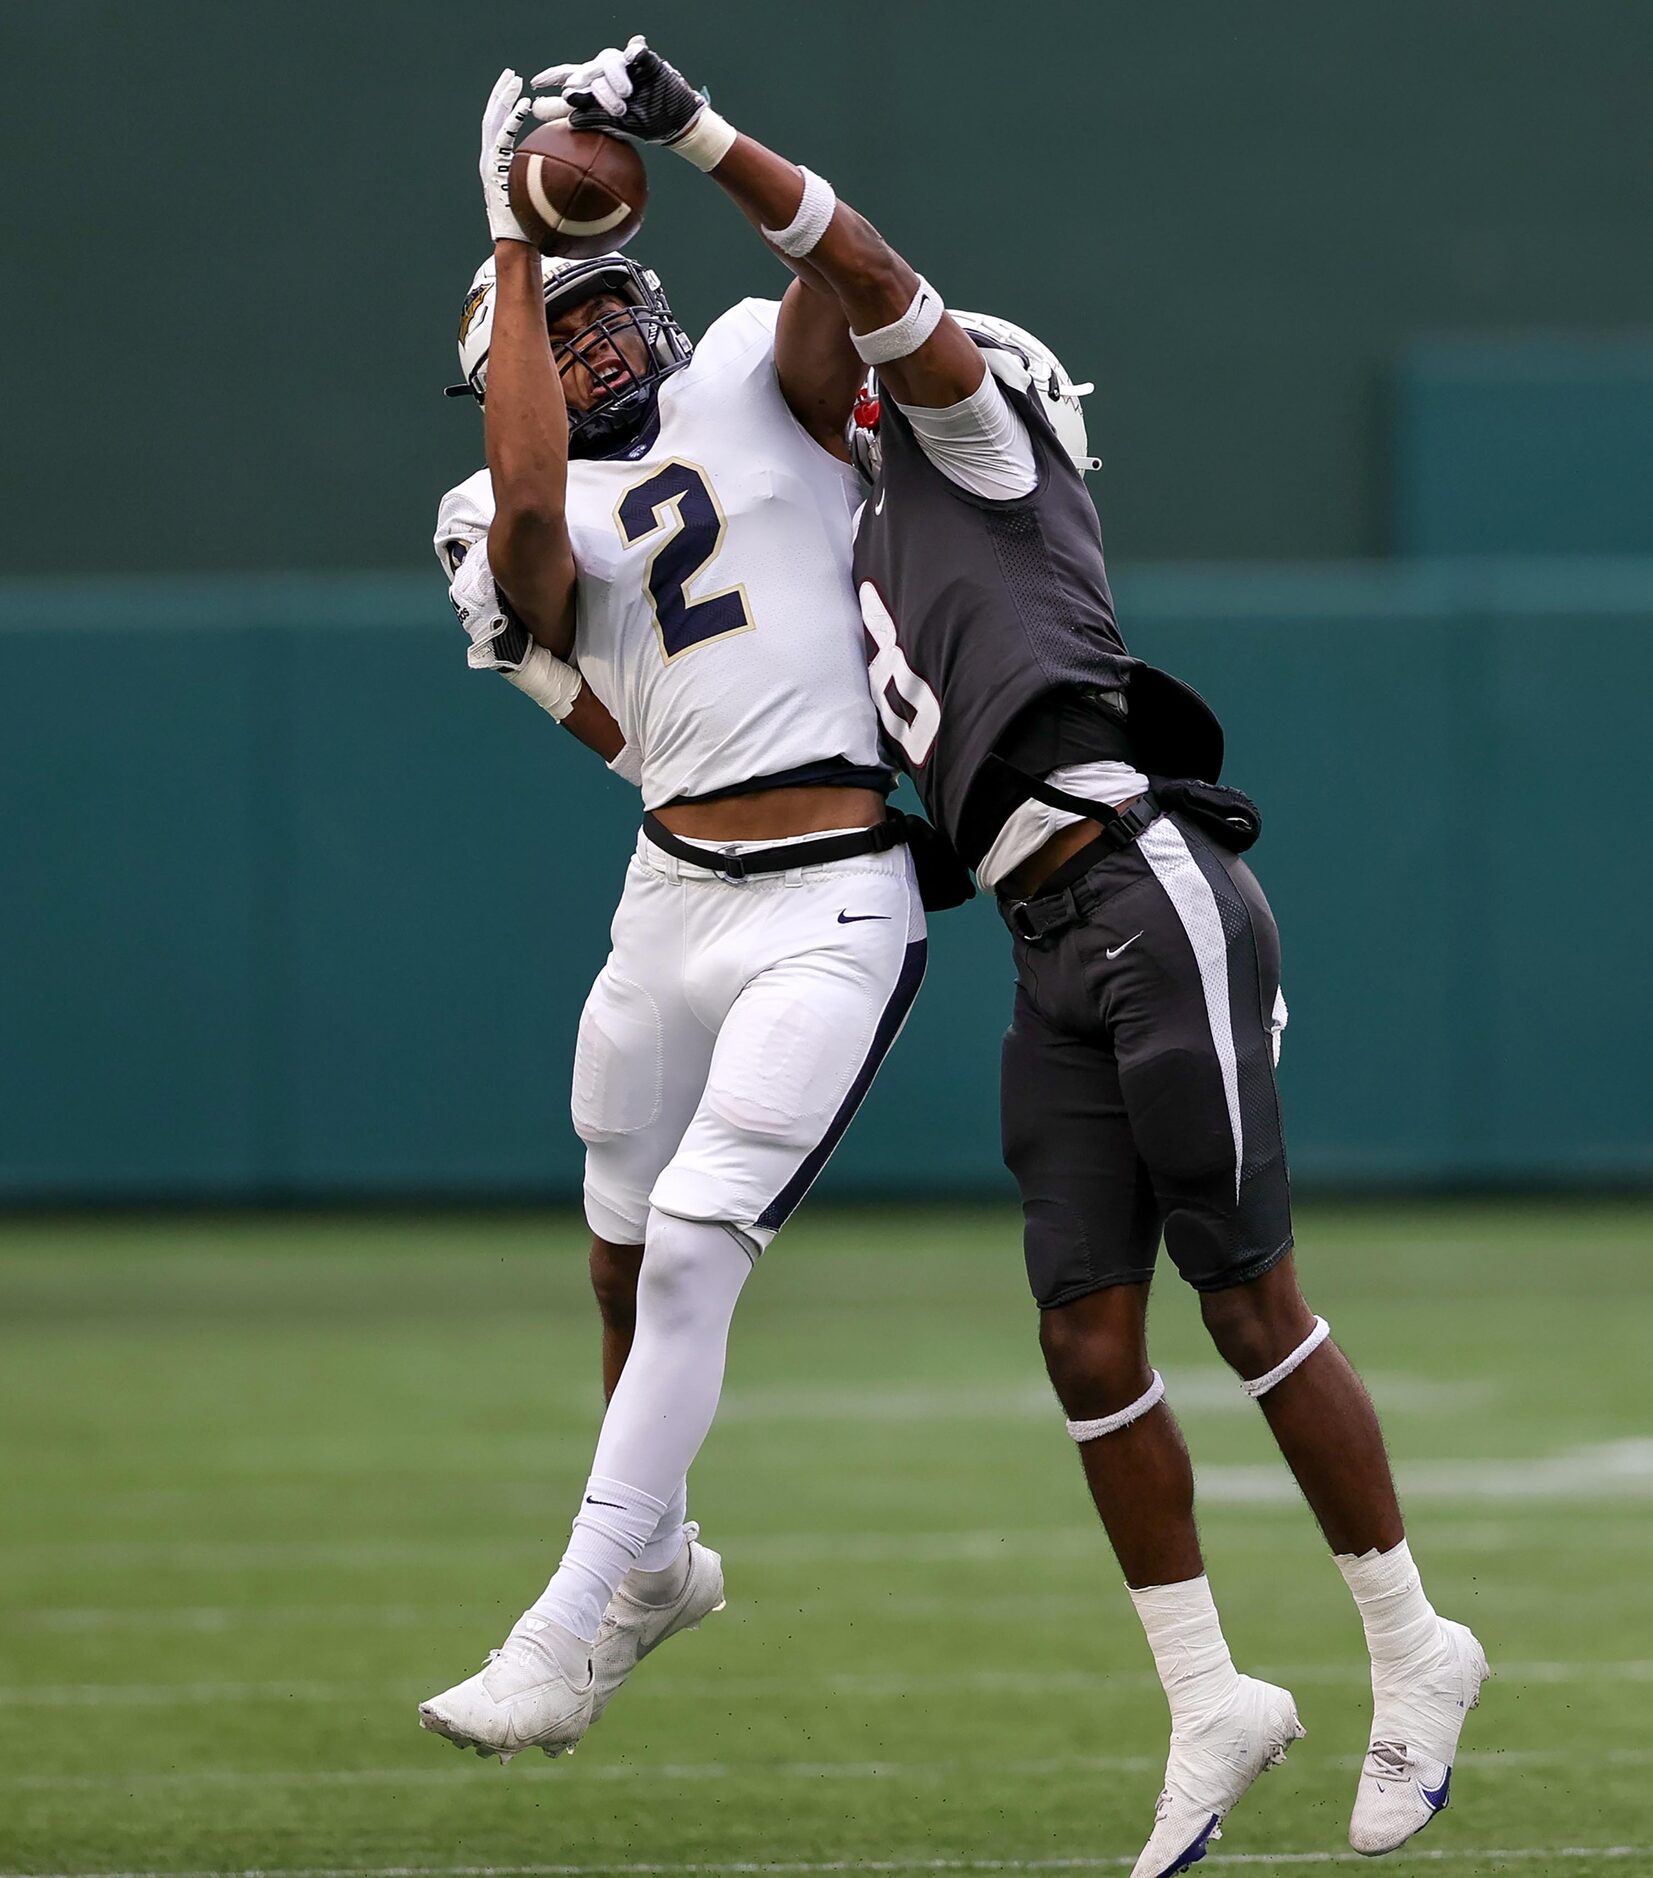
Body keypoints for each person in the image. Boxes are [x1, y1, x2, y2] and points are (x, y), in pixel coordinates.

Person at [536, 38, 1492, 1874]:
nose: (897, 392)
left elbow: (874, 292)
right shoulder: (862, 531)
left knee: (1242, 1297)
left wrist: (702, 134)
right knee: (1080, 1331)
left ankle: (1409, 1642)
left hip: (1144, 882)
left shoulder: (988, 452)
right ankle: (1210, 1696)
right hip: (1047, 943)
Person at [417, 70, 927, 1763]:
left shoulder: (747, 378)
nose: (599, 339)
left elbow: (852, 282)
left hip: (831, 894)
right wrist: (510, 231)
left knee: (702, 1238)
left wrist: (701, 142)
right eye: (550, 333)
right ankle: (661, 1557)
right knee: (623, 1249)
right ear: (503, 371)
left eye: (602, 303)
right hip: (668, 896)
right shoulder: (487, 510)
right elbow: (543, 552)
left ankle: (570, 1624)